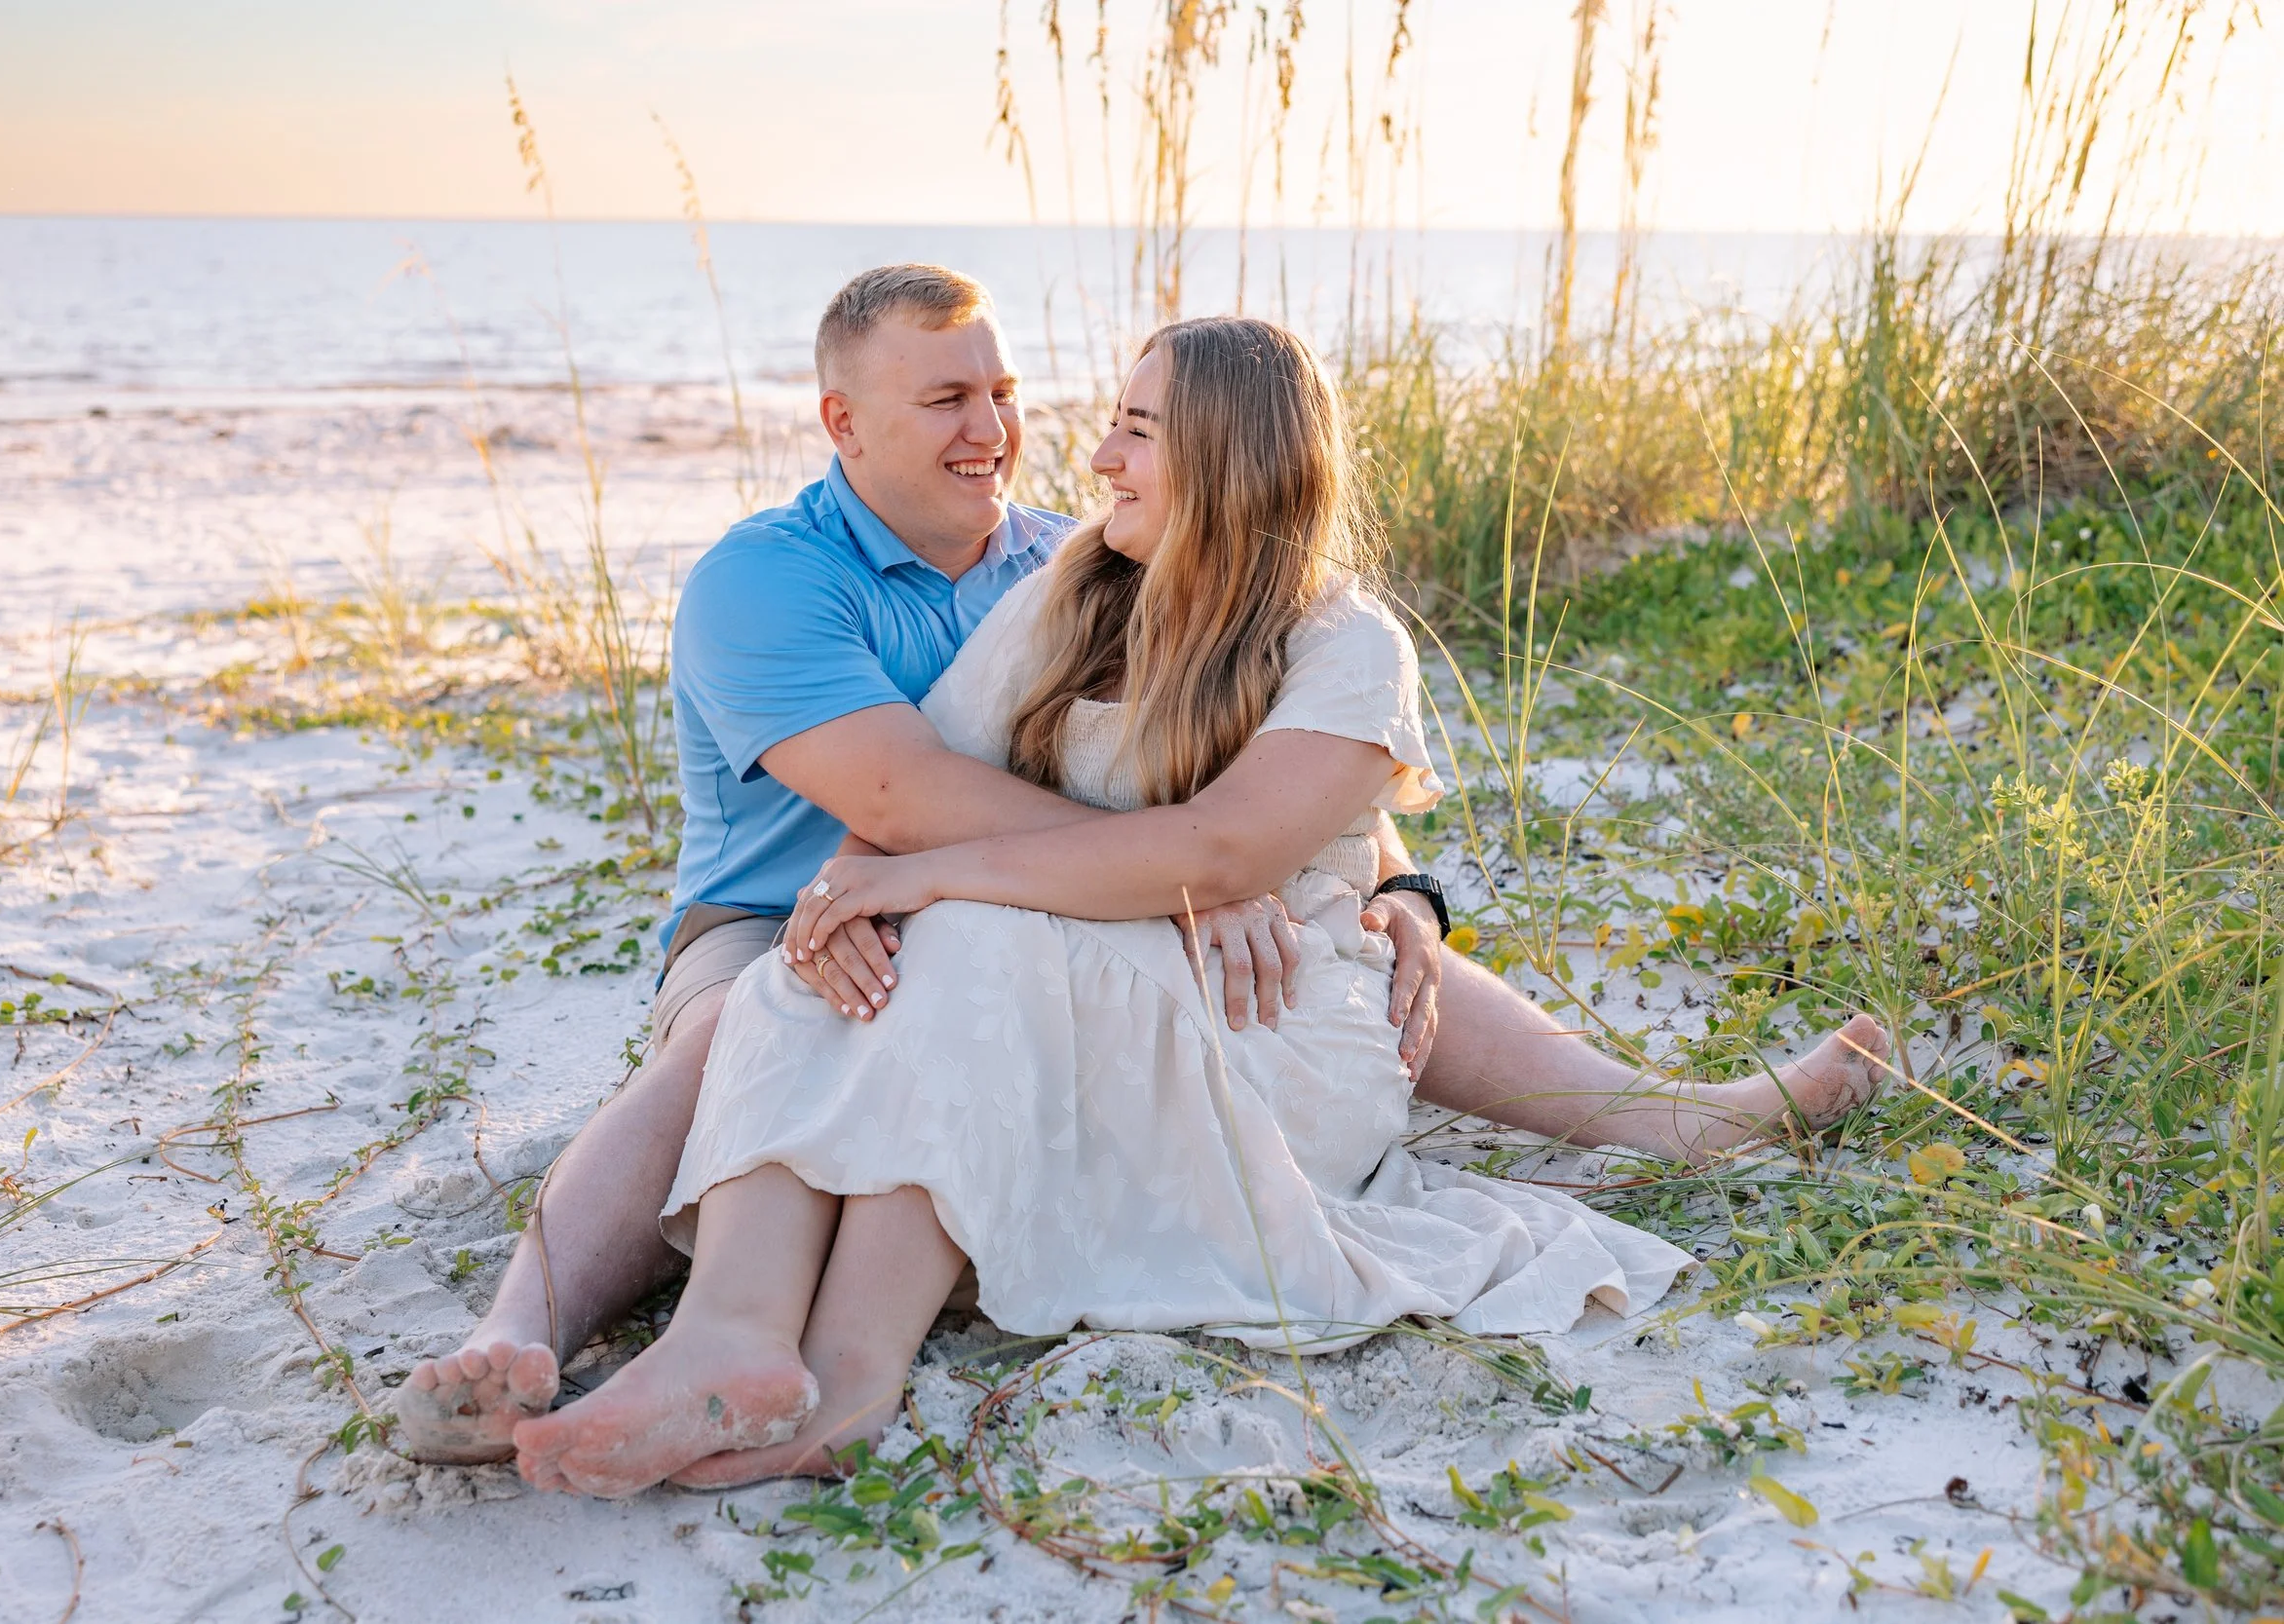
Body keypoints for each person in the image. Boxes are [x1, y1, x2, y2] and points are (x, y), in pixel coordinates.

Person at [396, 269, 1886, 1471]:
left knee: (961, 942)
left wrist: (1377, 890)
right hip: (879, 923)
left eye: (1054, 406)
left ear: (1226, 460)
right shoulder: (859, 580)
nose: (1029, 436)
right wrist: (882, 888)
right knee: (817, 972)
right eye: (952, 401)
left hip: (1233, 988)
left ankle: (845, 1368)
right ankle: (689, 1330)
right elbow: (905, 801)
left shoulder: (1264, 611)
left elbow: (1259, 834)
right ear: (843, 422)